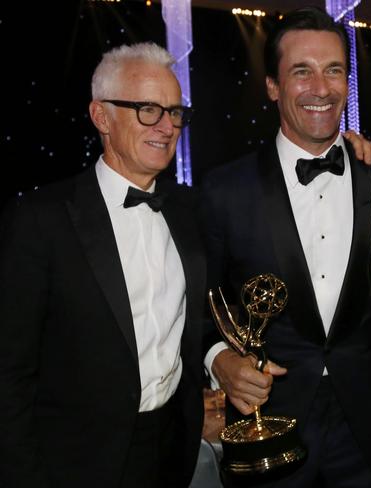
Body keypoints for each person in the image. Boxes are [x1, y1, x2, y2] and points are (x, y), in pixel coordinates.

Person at [200, 6, 371, 488]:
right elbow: (198, 303)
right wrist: (218, 360)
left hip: (367, 427)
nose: (321, 87)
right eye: (301, 72)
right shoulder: (224, 189)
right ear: (272, 86)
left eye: (334, 71)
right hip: (267, 426)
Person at [0, 43, 206, 488]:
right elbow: (10, 373)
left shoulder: (188, 212)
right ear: (101, 116)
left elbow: (205, 318)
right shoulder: (40, 220)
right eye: (149, 109)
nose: (167, 127)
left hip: (171, 453)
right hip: (75, 464)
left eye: (175, 112)